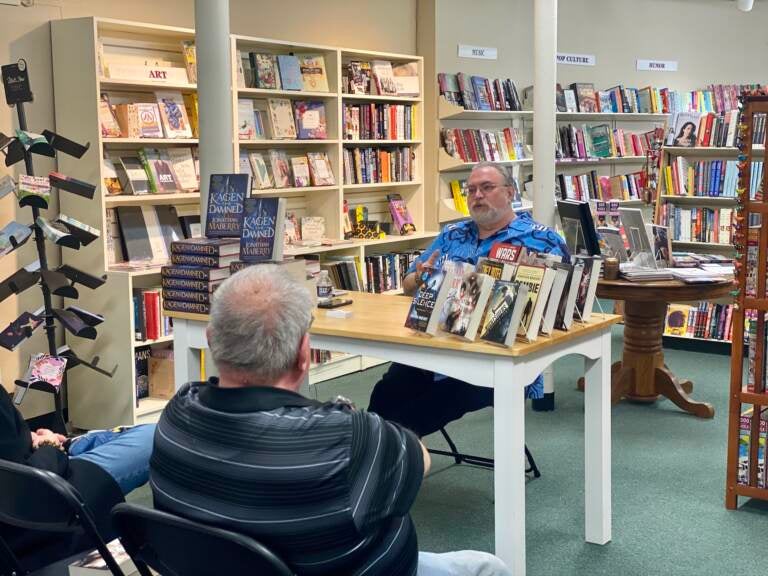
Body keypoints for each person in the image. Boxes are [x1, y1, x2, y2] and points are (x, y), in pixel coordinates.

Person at [150, 264, 511, 576]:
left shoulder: (176, 415)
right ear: (304, 355)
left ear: (212, 341)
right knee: (486, 566)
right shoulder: (349, 437)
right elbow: (420, 459)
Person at [369, 162, 569, 438]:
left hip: (494, 357)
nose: (477, 195)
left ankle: (389, 460)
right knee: (386, 393)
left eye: (487, 188)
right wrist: (421, 278)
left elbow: (560, 307)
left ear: (510, 193)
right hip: (436, 346)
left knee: (418, 412)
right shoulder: (452, 234)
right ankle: (376, 455)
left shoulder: (541, 240)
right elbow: (407, 286)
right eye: (471, 190)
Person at [0, 391, 155, 571]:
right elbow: (22, 486)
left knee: (132, 434)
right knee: (152, 436)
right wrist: (49, 445)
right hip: (47, 497)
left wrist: (32, 438)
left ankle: (72, 444)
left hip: (37, 472)